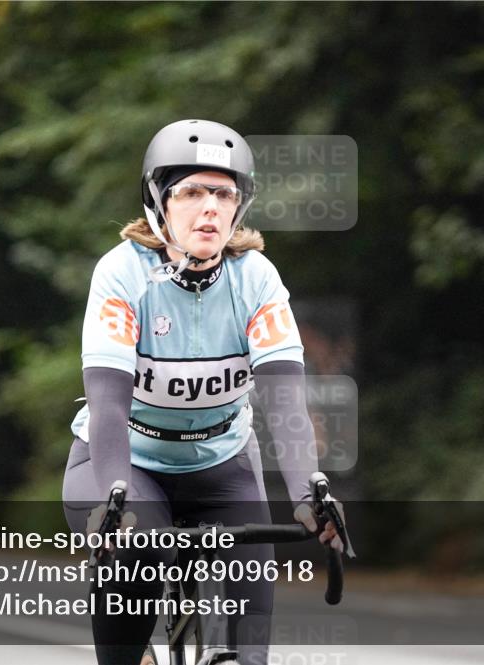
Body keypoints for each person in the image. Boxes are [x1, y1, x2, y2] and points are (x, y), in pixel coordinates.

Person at [62, 119, 342, 665]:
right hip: (126, 460)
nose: (210, 207)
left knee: (248, 649)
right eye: (191, 191)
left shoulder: (256, 278)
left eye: (224, 193)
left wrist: (312, 490)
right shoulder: (122, 275)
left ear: (239, 207)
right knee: (138, 554)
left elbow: (284, 402)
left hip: (221, 465)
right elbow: (110, 404)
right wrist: (115, 490)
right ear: (158, 203)